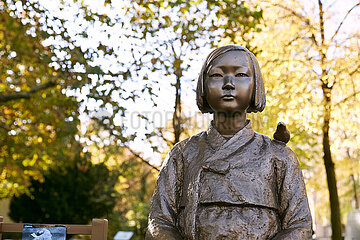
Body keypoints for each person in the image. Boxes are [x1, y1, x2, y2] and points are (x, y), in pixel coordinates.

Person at [146, 45, 312, 240]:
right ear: (203, 86)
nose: (228, 84)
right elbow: (158, 223)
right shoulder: (182, 154)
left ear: (255, 85)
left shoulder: (278, 156)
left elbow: (300, 226)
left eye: (241, 75)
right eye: (216, 75)